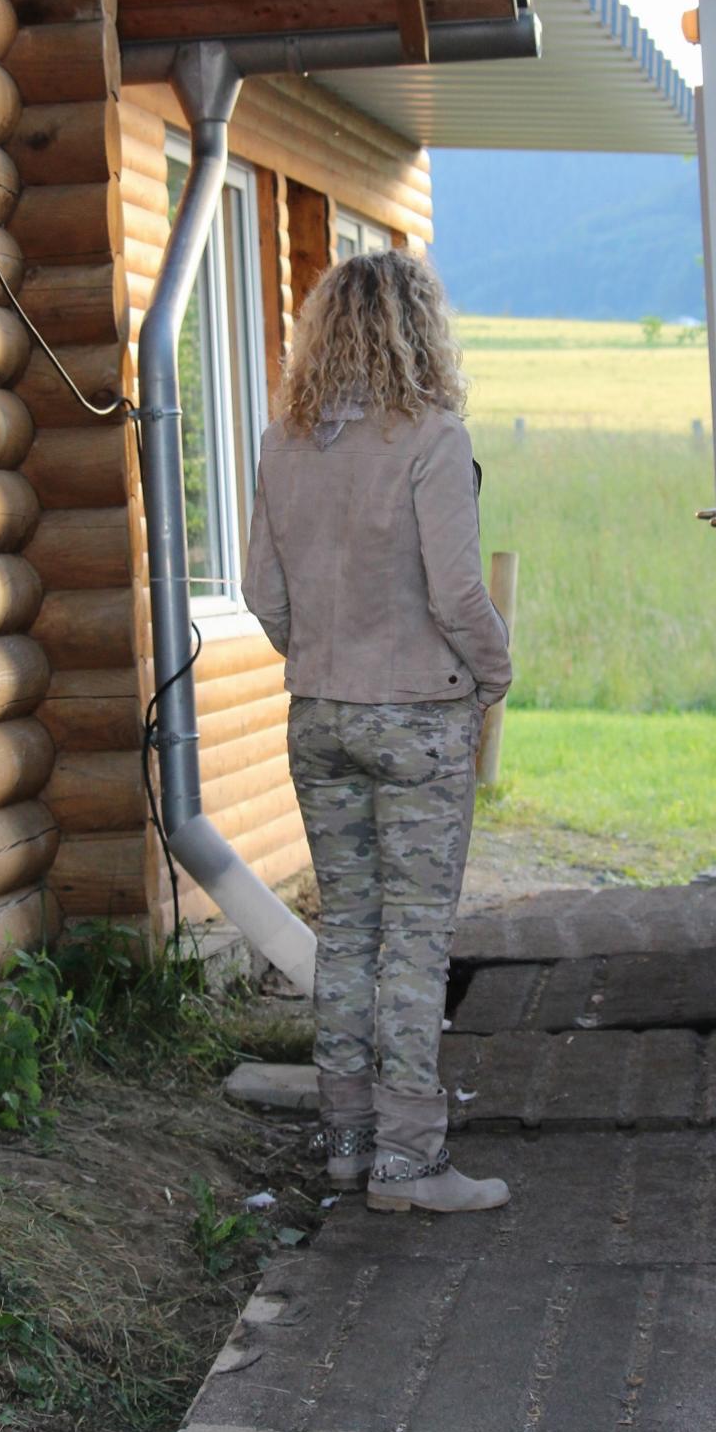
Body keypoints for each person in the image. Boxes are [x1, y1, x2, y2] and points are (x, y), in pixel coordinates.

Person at [241, 249, 513, 1214]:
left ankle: (348, 1145)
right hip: (417, 721)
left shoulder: (282, 444)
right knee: (414, 939)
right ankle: (409, 1162)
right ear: (419, 331)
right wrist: (493, 672)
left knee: (350, 929)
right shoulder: (432, 439)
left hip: (317, 715)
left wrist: (319, 657)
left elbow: (260, 593)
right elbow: (457, 592)